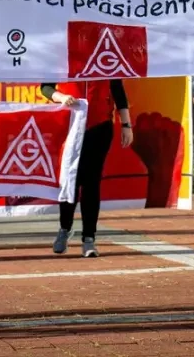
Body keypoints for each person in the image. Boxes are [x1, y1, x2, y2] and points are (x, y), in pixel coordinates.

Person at [41, 79, 133, 258]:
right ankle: (64, 229)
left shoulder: (104, 56)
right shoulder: (62, 55)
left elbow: (118, 90)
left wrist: (126, 125)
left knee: (91, 182)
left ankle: (89, 238)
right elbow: (45, 87)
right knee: (70, 181)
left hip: (100, 127)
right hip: (69, 125)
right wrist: (60, 97)